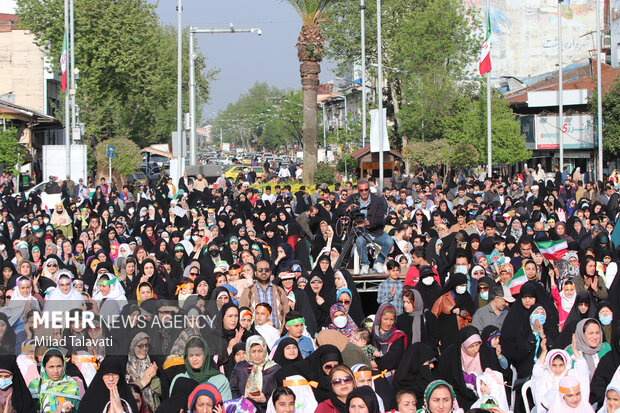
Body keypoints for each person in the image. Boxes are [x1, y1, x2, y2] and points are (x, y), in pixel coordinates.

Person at [346, 179, 394, 274]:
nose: (364, 192)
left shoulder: (378, 200)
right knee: (359, 241)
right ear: (358, 190)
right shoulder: (353, 198)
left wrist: (367, 222)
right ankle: (365, 264)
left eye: (366, 189)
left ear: (369, 189)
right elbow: (340, 209)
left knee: (389, 241)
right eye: (361, 190)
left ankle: (379, 262)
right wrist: (348, 208)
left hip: (375, 232)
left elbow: (381, 220)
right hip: (359, 232)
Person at [230, 335, 280, 412]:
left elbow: (279, 394)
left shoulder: (274, 368)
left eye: (260, 351)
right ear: (248, 352)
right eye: (253, 351)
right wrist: (240, 398)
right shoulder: (241, 367)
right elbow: (233, 389)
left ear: (265, 350)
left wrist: (265, 400)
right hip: (244, 409)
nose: (257, 355)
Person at [28, 348, 81, 413]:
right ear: (44, 367)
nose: (55, 371)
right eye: (51, 367)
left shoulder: (71, 384)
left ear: (64, 366)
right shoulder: (35, 385)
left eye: (59, 366)